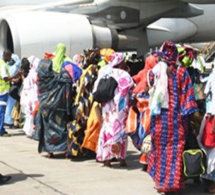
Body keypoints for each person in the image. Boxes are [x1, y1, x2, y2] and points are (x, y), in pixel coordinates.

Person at [146, 41, 198, 194]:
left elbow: (147, 89)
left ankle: (162, 182)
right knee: (175, 152)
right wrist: (191, 117)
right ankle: (173, 184)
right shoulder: (182, 72)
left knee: (160, 151)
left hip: (159, 121)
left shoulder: (154, 72)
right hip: (177, 121)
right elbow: (189, 97)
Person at [94, 53, 134, 167]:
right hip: (119, 107)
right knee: (120, 130)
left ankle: (107, 159)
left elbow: (96, 87)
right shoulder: (123, 74)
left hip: (106, 106)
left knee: (107, 129)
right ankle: (121, 158)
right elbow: (130, 87)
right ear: (120, 62)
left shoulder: (104, 71)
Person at [4, 53, 21, 127]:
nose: (11, 61)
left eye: (12, 60)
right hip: (12, 89)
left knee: (8, 106)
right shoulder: (15, 67)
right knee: (11, 106)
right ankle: (9, 121)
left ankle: (7, 120)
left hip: (8, 89)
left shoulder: (7, 66)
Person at [0, 49, 13, 136]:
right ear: (6, 56)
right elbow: (5, 78)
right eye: (9, 56)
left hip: (2, 91)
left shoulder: (2, 63)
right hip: (3, 92)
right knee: (2, 111)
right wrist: (15, 76)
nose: (10, 58)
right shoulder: (3, 65)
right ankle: (1, 130)